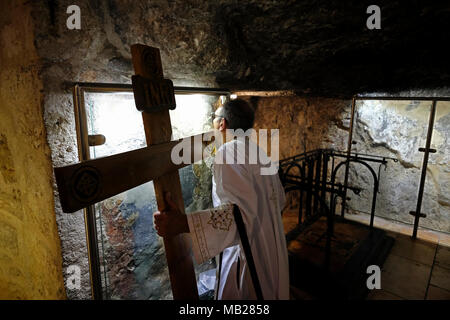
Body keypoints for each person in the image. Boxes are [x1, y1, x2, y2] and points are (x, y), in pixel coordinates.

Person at [153, 99, 289, 300]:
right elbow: (280, 201)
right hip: (271, 248)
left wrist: (181, 222)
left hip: (247, 254)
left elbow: (240, 217)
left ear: (222, 124)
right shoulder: (259, 152)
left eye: (214, 118)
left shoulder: (228, 152)